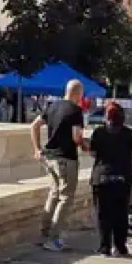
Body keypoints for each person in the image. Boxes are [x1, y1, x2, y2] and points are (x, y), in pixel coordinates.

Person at [31, 80, 85, 251]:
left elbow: (34, 125)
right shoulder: (76, 111)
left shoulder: (52, 106)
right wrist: (85, 144)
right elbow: (76, 137)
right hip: (66, 158)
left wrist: (37, 148)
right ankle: (53, 239)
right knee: (66, 197)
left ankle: (43, 235)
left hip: (50, 158)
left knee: (53, 194)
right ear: (78, 94)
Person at [88, 101, 132, 256]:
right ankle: (120, 246)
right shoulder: (128, 133)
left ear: (106, 116)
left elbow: (92, 153)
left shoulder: (99, 132)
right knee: (121, 214)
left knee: (103, 214)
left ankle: (105, 246)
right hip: (122, 178)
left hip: (102, 178)